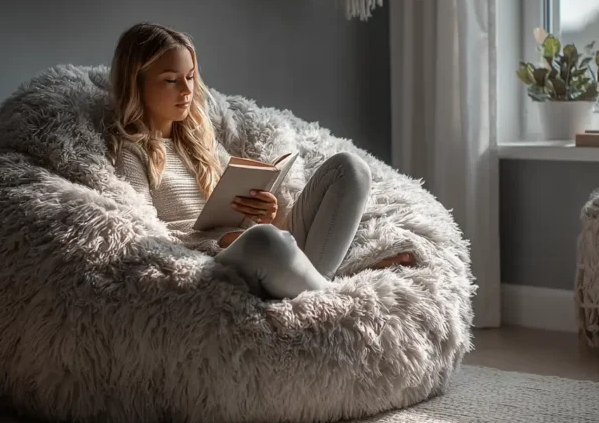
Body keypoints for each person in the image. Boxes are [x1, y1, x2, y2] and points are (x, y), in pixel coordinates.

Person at [106, 22, 414, 299]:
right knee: (265, 241)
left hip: (259, 246)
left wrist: (266, 213)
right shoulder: (132, 153)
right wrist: (225, 240)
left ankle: (318, 282)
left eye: (189, 77)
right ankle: (339, 294)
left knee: (349, 168)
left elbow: (241, 213)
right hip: (210, 261)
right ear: (137, 85)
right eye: (171, 80)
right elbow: (145, 238)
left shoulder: (200, 141)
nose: (187, 90)